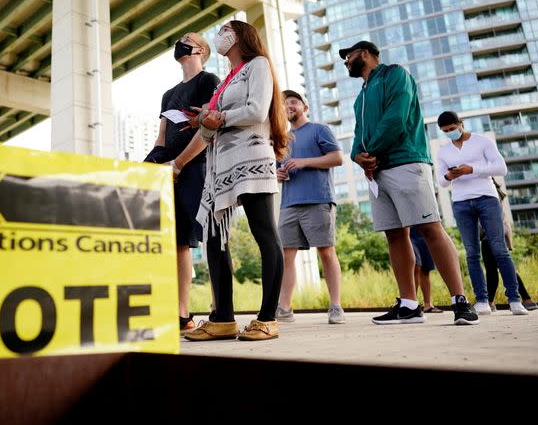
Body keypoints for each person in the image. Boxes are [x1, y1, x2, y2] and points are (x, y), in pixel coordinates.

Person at [342, 40, 478, 325]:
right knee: (394, 234)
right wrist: (358, 156)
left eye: (349, 55)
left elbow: (396, 118)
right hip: (376, 172)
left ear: (364, 54)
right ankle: (409, 305)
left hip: (405, 161)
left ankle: (461, 302)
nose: (346, 61)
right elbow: (357, 134)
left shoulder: (394, 74)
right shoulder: (360, 97)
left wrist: (372, 153)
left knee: (429, 228)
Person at [185, 20, 288, 342]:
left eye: (227, 29)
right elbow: (207, 131)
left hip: (252, 159)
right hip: (221, 166)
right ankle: (223, 319)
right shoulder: (222, 83)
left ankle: (268, 318)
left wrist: (221, 118)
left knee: (264, 233)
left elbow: (258, 111)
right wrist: (204, 120)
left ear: (241, 35)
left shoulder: (257, 65)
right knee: (215, 238)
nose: (220, 35)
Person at [145, 33, 219, 333]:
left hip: (199, 167)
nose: (179, 42)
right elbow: (161, 139)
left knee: (213, 238)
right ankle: (181, 315)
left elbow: (209, 127)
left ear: (200, 49)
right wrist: (151, 165)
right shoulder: (168, 94)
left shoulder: (208, 80)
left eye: (186, 40)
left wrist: (180, 163)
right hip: (170, 172)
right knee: (179, 243)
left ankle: (219, 311)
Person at [435, 110, 528, 316]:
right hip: (460, 203)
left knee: (499, 249)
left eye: (452, 128)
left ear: (461, 123)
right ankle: (482, 300)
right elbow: (441, 181)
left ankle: (514, 300)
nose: (450, 133)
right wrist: (450, 174)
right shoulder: (443, 151)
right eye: (446, 131)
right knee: (471, 253)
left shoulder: (482, 141)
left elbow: (501, 168)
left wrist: (472, 170)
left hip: (487, 199)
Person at [275, 90, 345, 324]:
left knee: (326, 252)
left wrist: (305, 162)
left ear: (305, 107)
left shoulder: (319, 129)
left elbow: (337, 158)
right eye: (285, 104)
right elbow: (276, 171)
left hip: (318, 200)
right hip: (288, 204)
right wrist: (278, 173)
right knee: (285, 255)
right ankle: (284, 309)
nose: (289, 106)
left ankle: (335, 306)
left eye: (293, 102)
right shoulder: (282, 138)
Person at [408, 228, 443, 313]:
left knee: (425, 269)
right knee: (416, 266)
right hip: (408, 232)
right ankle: (412, 305)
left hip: (424, 231)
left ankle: (428, 304)